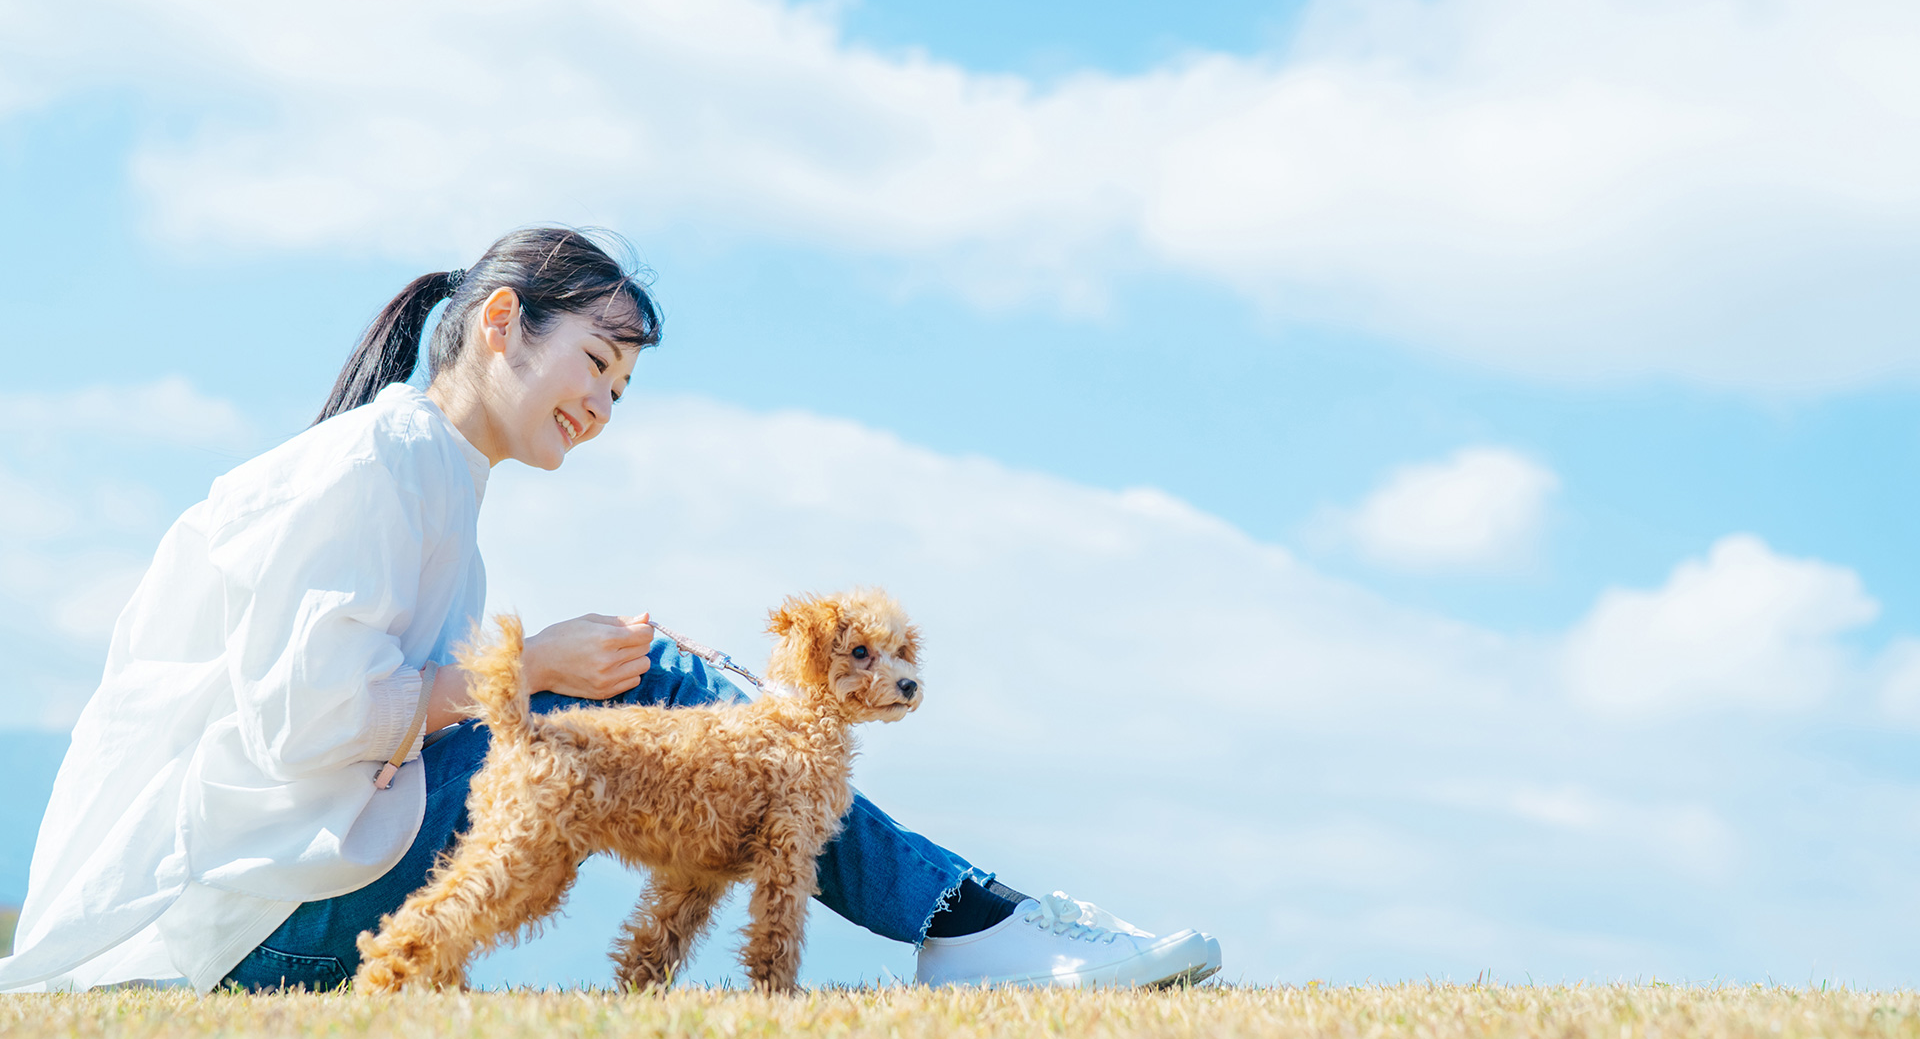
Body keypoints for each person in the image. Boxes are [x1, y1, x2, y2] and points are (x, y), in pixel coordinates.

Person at [0, 226, 1221, 994]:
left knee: (681, 704)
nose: (603, 402)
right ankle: (975, 922)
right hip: (242, 933)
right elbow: (306, 725)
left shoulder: (429, 477)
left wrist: (541, 668)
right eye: (595, 362)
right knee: (686, 699)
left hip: (272, 910)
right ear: (497, 323)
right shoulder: (372, 465)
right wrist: (531, 668)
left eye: (622, 388)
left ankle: (971, 916)